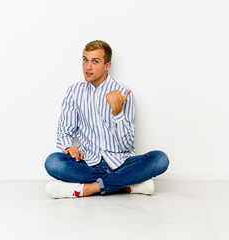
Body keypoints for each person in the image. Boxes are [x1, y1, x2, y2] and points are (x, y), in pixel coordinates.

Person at [44, 40, 169, 198]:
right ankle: (126, 184)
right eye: (85, 60)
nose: (88, 67)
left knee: (160, 159)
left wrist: (117, 112)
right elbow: (64, 130)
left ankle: (87, 189)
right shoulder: (74, 91)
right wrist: (69, 146)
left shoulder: (123, 93)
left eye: (95, 61)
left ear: (107, 65)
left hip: (121, 163)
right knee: (53, 162)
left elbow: (127, 144)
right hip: (88, 164)